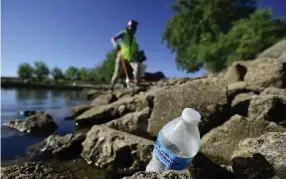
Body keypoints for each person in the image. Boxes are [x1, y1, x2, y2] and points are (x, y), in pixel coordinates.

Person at [110, 20, 140, 90]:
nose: (134, 29)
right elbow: (113, 39)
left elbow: (135, 48)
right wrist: (115, 44)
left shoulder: (134, 38)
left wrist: (138, 53)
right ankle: (111, 87)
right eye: (133, 27)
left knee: (137, 67)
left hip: (130, 57)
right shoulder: (124, 33)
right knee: (117, 74)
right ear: (129, 26)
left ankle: (134, 84)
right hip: (121, 55)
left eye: (135, 27)